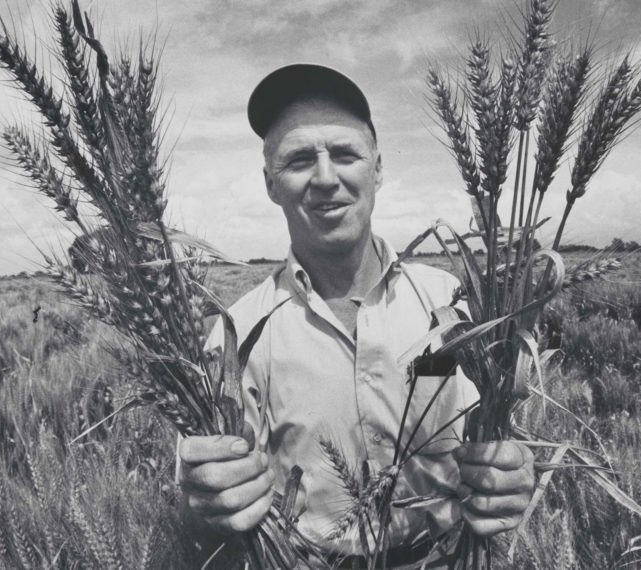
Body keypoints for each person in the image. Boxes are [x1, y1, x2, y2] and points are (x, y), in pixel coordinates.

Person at [177, 64, 534, 567]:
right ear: (270, 183)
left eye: (345, 154)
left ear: (379, 167)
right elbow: (205, 514)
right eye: (299, 159)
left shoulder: (454, 305)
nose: (326, 178)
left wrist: (510, 473)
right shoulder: (235, 335)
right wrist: (207, 505)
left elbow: (499, 438)